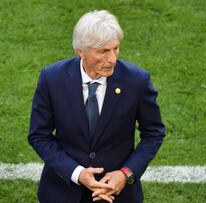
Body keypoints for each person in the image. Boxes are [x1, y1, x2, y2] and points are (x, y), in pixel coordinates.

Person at [28, 10, 165, 203]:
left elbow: (154, 133)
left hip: (117, 195)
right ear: (81, 51)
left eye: (115, 48)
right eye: (103, 51)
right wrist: (77, 173)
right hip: (62, 194)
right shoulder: (52, 78)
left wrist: (125, 174)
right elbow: (39, 135)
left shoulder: (137, 81)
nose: (112, 59)